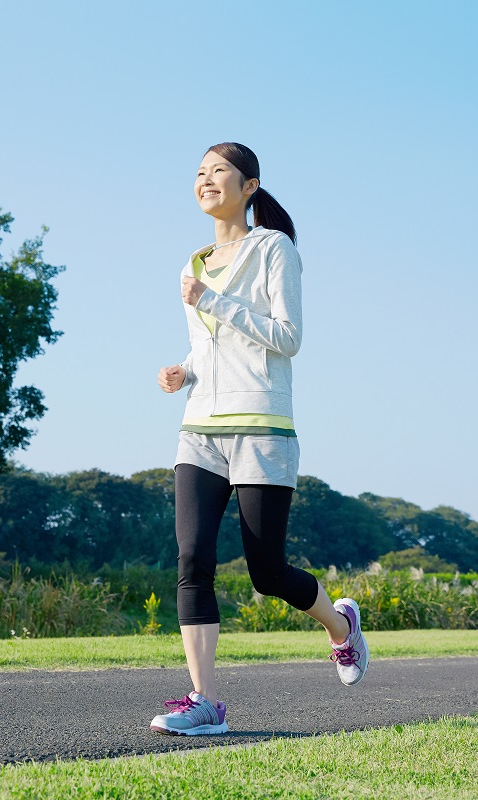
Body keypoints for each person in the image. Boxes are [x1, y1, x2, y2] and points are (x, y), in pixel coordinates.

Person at [151, 142, 369, 736]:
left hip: (262, 427)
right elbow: (210, 348)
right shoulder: (192, 264)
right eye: (199, 172)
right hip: (200, 429)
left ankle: (341, 627)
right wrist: (184, 371)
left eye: (218, 170)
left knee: (267, 572)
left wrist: (214, 301)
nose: (205, 179)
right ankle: (205, 703)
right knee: (192, 560)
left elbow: (288, 337)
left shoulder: (274, 248)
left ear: (249, 186)